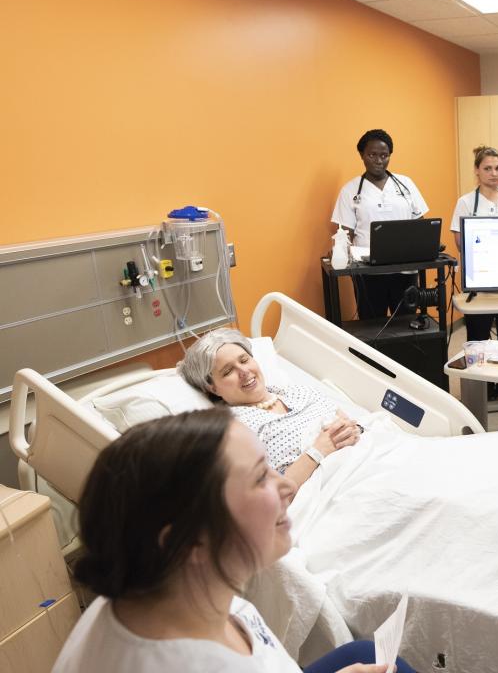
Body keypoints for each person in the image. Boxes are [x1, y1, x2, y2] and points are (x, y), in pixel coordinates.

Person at [53, 408, 414, 673]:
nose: (287, 486)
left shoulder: (161, 594)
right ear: (188, 539)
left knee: (367, 653)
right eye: (260, 478)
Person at [179, 328, 361, 490]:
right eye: (227, 371)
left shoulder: (298, 391)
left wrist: (354, 431)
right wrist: (318, 450)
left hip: (361, 460)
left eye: (244, 360)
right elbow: (269, 493)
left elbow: (354, 425)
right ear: (213, 388)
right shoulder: (234, 429)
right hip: (331, 490)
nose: (243, 371)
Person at [451, 145, 498, 401]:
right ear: (477, 170)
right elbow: (459, 242)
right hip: (480, 282)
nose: (494, 173)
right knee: (479, 337)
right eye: (487, 168)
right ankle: (483, 387)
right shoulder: (465, 202)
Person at [331, 129, 430, 319]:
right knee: (371, 324)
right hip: (368, 273)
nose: (379, 161)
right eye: (372, 155)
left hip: (405, 268)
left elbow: (420, 225)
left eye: (384, 155)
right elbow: (345, 232)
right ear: (362, 155)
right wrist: (341, 256)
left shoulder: (405, 184)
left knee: (406, 323)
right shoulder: (350, 190)